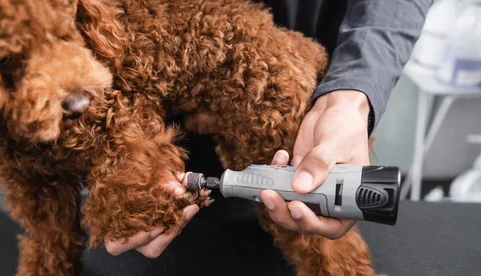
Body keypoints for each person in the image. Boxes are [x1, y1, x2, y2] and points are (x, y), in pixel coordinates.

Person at [106, 0, 433, 258]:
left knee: (312, 234)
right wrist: (120, 161)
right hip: (156, 116)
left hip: (296, 105)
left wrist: (350, 94)